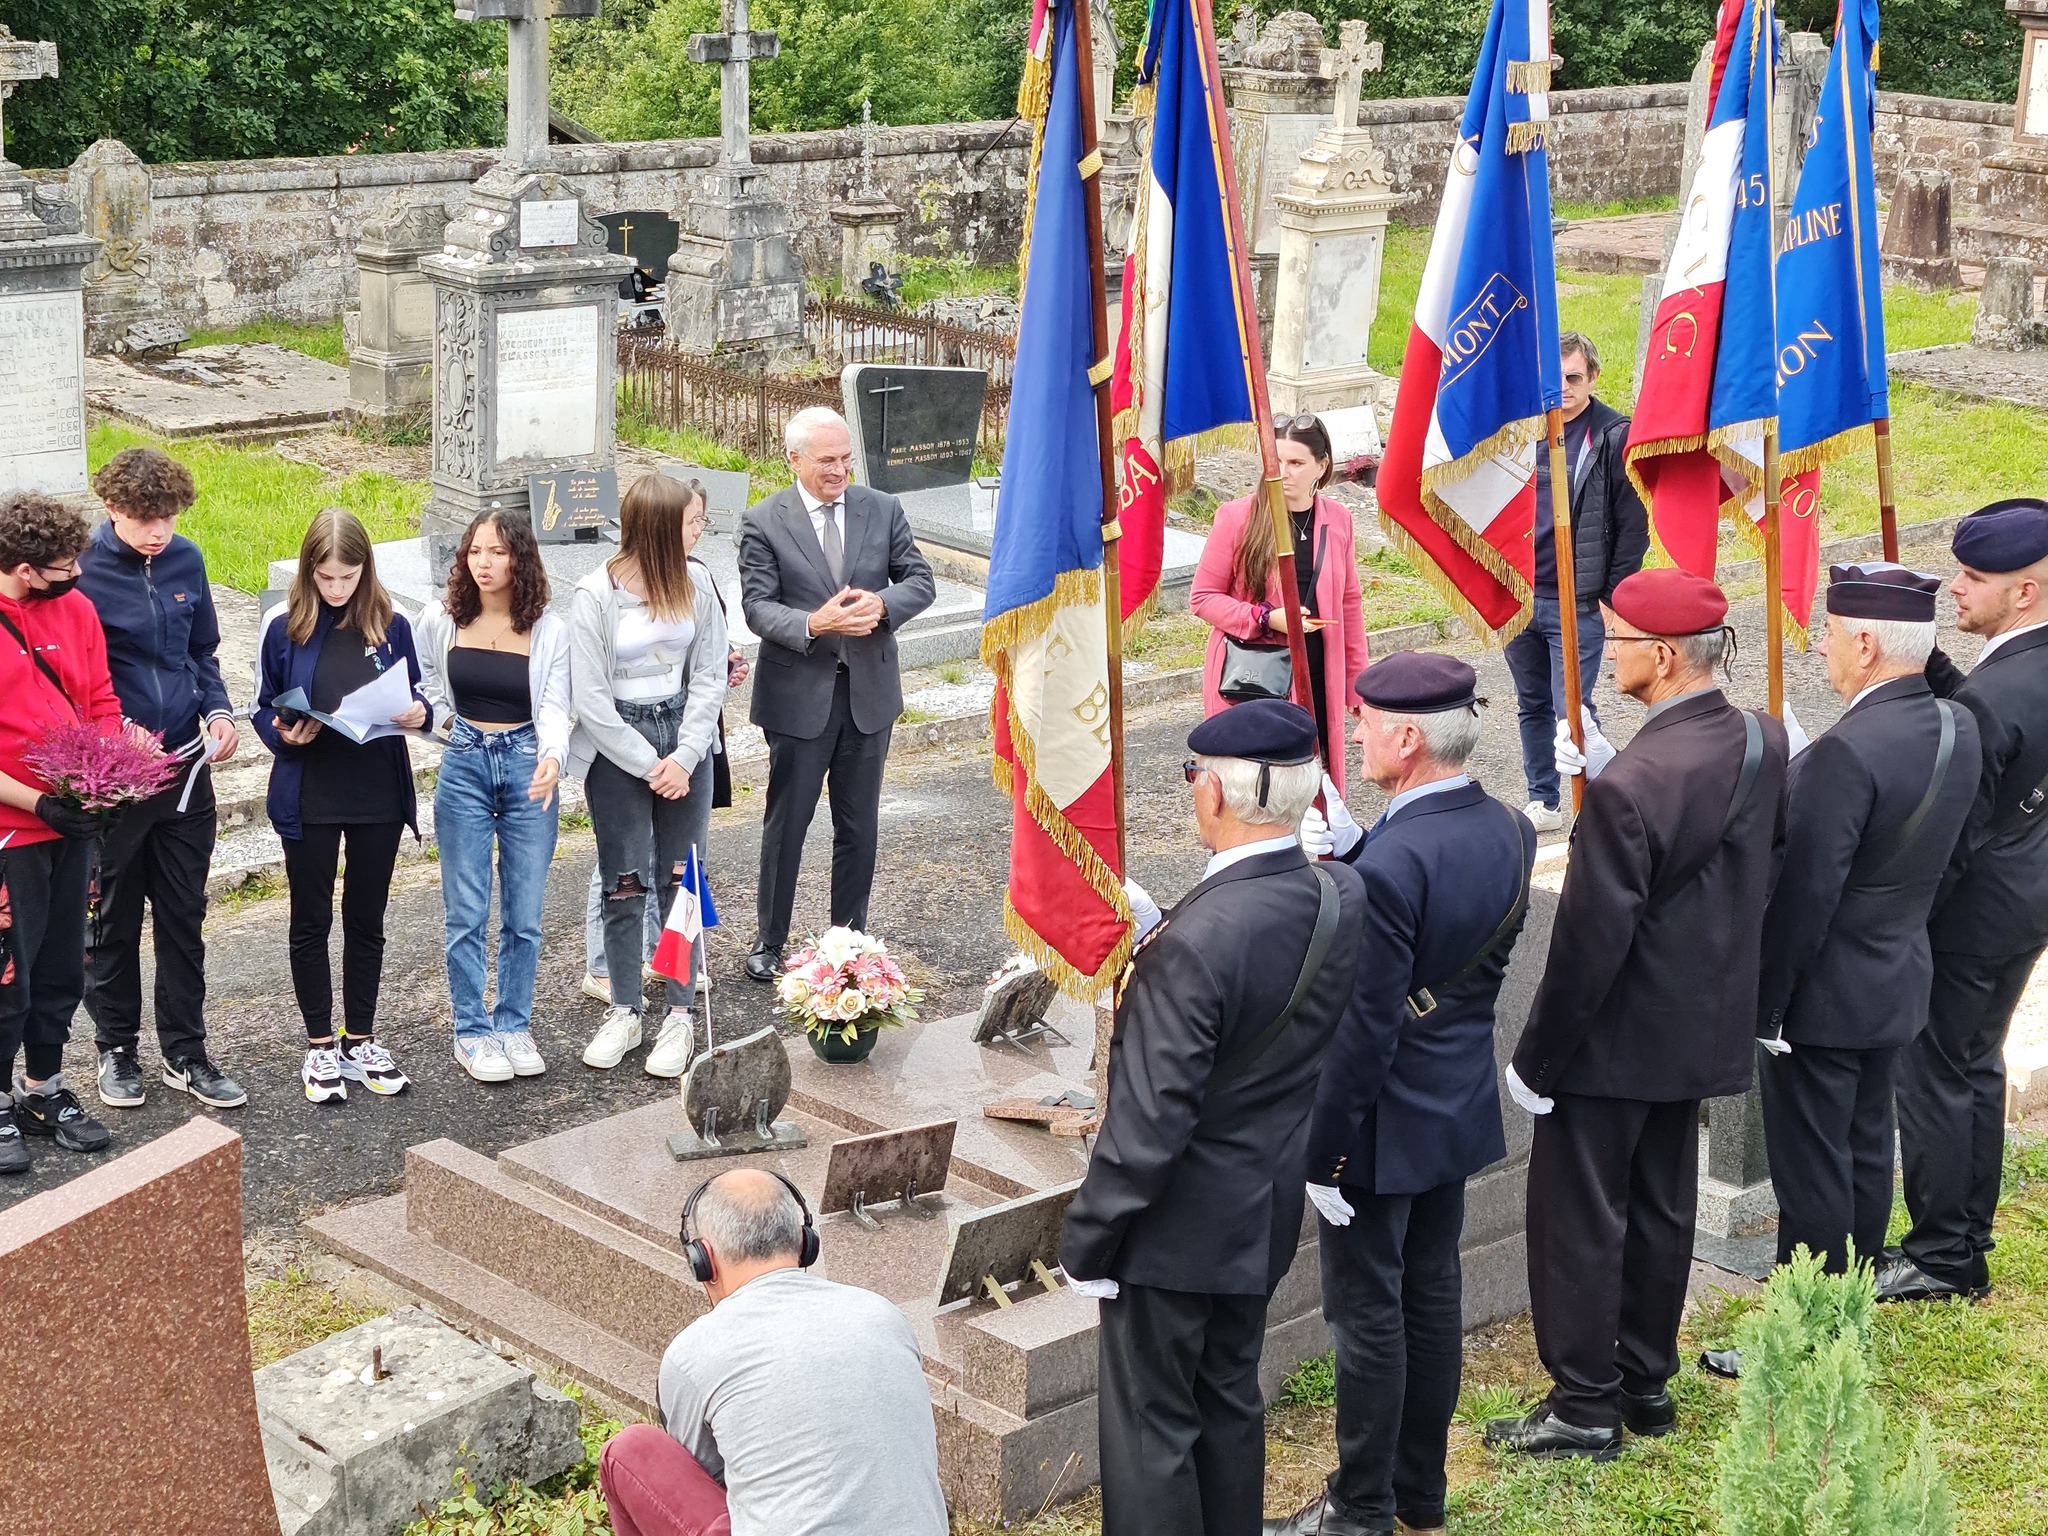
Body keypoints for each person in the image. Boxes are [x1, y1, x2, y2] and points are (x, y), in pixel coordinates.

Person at [1485, 568, 1786, 1459]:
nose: (1602, 655)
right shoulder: (1763, 739)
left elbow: (1587, 946)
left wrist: (1536, 1061)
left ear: (1661, 656)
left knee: (1578, 1220)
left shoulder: (1631, 787)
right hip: (1701, 1025)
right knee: (1663, 1205)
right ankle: (1645, 1382)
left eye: (1614, 641)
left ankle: (1584, 1402)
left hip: (1613, 1042)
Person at [1062, 699, 1366, 1536]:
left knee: (1152, 1433)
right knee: (1228, 1402)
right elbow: (1257, 980)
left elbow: (1151, 1124)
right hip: (1259, 1211)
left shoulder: (1194, 947)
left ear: (1216, 794)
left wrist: (1089, 1239)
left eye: (1193, 774)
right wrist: (1165, 929)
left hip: (1172, 1232)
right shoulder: (1339, 894)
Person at [1698, 565, 1977, 1382]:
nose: (1817, 646)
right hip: (1896, 978)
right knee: (1862, 1156)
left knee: (1812, 1172)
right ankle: (1846, 1319)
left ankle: (1802, 1338)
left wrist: (1767, 1008)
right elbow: (1958, 859)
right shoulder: (1957, 724)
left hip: (1821, 997)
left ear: (1865, 643)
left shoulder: (1844, 752)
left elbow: (1803, 896)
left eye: (1825, 632)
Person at [1277, 654, 1535, 1536]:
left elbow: (1364, 1028)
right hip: (1454, 1102)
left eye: (1366, 720)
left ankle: (1359, 1508)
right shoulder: (1509, 827)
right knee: (1431, 1298)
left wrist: (1323, 1155)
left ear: (1409, 739)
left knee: (1367, 1320)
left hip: (1379, 1125)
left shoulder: (1391, 866)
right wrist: (1361, 852)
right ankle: (1419, 1495)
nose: (1355, 732)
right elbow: (1442, 937)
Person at [597, 1167, 948, 1536]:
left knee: (630, 1449)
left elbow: (706, 1476)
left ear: (703, 1259)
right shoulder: (883, 1315)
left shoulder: (694, 1352)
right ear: (804, 1243)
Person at [1888, 499, 2048, 1303]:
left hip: (1973, 915)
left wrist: (1901, 918)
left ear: (2025, 592)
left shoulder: (1995, 696)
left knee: (1935, 1074)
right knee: (1976, 1064)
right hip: (2026, 899)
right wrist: (1937, 670)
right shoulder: (2024, 667)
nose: (1955, 587)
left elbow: (1956, 830)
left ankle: (1943, 1256)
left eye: (1974, 577)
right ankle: (1966, 1231)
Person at [738, 406, 936, 982]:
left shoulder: (882, 508)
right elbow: (757, 607)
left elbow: (919, 580)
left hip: (868, 696)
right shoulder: (763, 521)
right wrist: (813, 623)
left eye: (847, 459)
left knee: (858, 825)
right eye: (827, 460)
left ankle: (847, 943)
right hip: (799, 697)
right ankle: (770, 940)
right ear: (794, 459)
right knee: (788, 824)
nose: (840, 471)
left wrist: (883, 604)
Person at [77, 447, 247, 1112]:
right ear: (112, 509)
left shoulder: (186, 560)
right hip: (116, 777)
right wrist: (113, 728)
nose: (159, 533)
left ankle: (186, 1051)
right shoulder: (82, 572)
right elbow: (69, 680)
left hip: (185, 769)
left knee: (183, 914)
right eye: (146, 519)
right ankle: (116, 1048)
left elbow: (201, 651)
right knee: (113, 918)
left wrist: (218, 710)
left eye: (169, 518)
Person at [254, 509, 429, 1104]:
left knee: (366, 918)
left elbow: (419, 694)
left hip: (376, 786)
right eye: (324, 577)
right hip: (311, 788)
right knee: (311, 918)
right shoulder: (283, 624)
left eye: (347, 577)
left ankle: (361, 1039)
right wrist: (282, 732)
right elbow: (261, 704)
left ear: (365, 570)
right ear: (309, 571)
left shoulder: (394, 621)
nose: (335, 588)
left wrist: (419, 712)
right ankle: (320, 1044)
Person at [570, 474, 727, 1076]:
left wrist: (685, 756)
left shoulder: (698, 581)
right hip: (620, 744)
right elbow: (591, 698)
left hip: (683, 733)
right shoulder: (595, 595)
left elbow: (710, 672)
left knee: (682, 880)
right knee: (625, 881)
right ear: (658, 528)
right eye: (692, 522)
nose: (700, 531)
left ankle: (680, 1014)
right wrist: (647, 763)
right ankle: (625, 1008)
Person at [415, 510, 571, 1083]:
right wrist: (443, 724)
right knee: (466, 912)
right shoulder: (441, 617)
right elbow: (427, 681)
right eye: (475, 551)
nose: (484, 563)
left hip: (528, 762)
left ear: (520, 559)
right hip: (464, 764)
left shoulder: (549, 628)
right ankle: (471, 1031)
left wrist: (553, 757)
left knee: (524, 914)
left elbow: (554, 702)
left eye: (498, 552)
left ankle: (513, 1024)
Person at [0, 491, 123, 1170]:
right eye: (63, 567)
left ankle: (43, 1089)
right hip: (11, 833)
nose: (77, 574)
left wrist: (108, 782)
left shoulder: (77, 610)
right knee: (6, 977)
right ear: (23, 570)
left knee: (61, 965)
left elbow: (100, 702)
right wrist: (40, 805)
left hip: (73, 827)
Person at [1501, 333, 1649, 833]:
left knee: (1574, 710)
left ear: (1593, 378)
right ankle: (1543, 800)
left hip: (1578, 600)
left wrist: (1612, 598)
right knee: (1532, 705)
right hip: (1520, 597)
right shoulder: (1520, 429)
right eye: (1554, 377)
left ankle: (1606, 801)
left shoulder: (1613, 435)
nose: (1563, 387)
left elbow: (1632, 527)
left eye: (1573, 378)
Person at [1190, 414, 1371, 790]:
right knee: (1258, 787)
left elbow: (1349, 603)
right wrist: (1264, 618)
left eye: (1296, 463)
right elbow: (1203, 597)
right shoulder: (1236, 517)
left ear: (1321, 466)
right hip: (1254, 674)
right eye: (1276, 461)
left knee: (1315, 781)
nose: (1283, 473)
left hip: (1319, 669)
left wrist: (1355, 682)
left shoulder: (1339, 519)